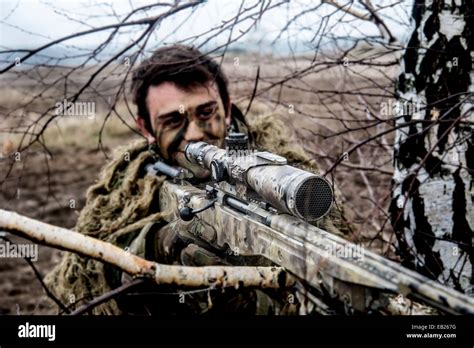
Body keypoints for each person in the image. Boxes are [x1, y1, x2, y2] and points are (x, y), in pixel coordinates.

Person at [44, 44, 352, 315]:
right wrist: (158, 245)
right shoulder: (126, 184)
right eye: (173, 120)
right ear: (146, 128)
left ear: (227, 108)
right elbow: (89, 276)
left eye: (206, 112)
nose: (193, 134)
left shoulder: (278, 171)